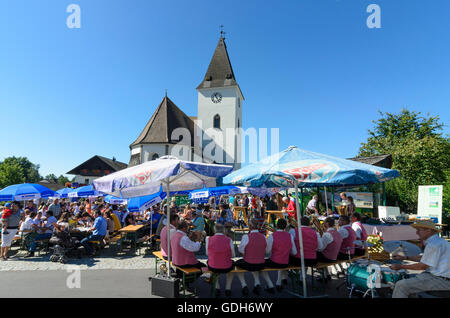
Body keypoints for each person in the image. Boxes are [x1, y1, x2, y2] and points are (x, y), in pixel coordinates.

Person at [389, 220, 450, 298]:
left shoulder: (433, 244)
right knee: (409, 279)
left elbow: (422, 266)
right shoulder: (439, 241)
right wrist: (405, 257)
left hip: (442, 280)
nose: (417, 232)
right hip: (440, 277)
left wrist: (400, 267)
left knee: (401, 285)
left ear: (428, 231)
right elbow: (425, 258)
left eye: (419, 230)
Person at [235, 218, 274, 295]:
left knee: (237, 265)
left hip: (249, 263)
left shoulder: (246, 237)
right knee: (257, 266)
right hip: (260, 263)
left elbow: (240, 250)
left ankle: (244, 285)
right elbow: (266, 251)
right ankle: (258, 284)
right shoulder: (263, 237)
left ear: (250, 226)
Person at [266, 218, 297, 291]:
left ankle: (270, 285)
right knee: (282, 261)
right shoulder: (290, 236)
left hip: (274, 262)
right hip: (285, 263)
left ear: (276, 226)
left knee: (260, 266)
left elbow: (267, 251)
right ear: (285, 226)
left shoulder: (272, 236)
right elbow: (295, 252)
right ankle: (279, 282)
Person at [206, 223, 236, 297]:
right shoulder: (229, 240)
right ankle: (228, 288)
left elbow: (207, 254)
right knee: (233, 266)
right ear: (223, 230)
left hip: (213, 266)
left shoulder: (208, 239)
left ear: (215, 230)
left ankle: (217, 287)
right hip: (226, 266)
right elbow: (233, 255)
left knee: (211, 264)